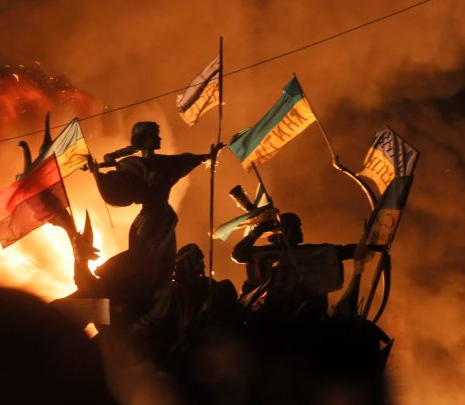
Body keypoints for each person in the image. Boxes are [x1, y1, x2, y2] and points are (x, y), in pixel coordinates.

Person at [85, 121, 223, 324]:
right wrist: (98, 173)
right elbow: (116, 184)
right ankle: (113, 275)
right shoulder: (132, 164)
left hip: (164, 217)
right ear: (143, 139)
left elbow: (185, 160)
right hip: (149, 217)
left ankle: (155, 295)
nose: (159, 138)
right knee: (141, 254)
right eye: (154, 135)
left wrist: (209, 155)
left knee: (165, 261)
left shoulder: (165, 163)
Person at [131, 243, 240, 371]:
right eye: (195, 261)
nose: (201, 265)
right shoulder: (172, 292)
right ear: (184, 265)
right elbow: (151, 323)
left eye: (200, 260)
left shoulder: (210, 286)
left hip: (209, 354)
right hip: (182, 353)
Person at [232, 212, 355, 322]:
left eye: (299, 226)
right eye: (294, 226)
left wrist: (364, 245)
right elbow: (238, 254)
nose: (299, 229)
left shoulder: (311, 251)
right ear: (279, 232)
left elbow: (345, 251)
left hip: (304, 314)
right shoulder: (263, 253)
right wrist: (258, 230)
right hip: (268, 311)